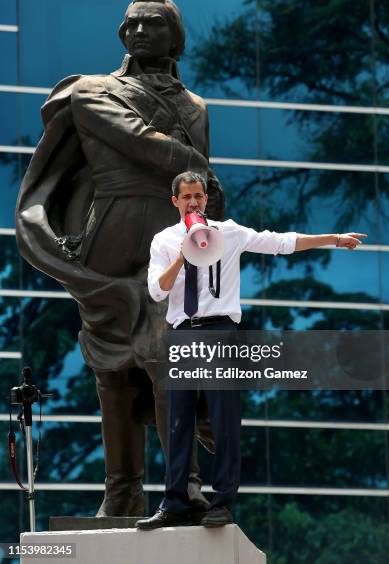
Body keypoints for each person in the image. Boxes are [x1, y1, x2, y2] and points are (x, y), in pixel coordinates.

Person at [16, 0, 223, 517]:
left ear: (175, 37)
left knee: (168, 354)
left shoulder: (195, 107)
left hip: (170, 239)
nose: (138, 31)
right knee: (112, 369)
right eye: (130, 24)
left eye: (152, 24)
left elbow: (199, 188)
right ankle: (122, 492)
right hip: (109, 239)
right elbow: (51, 185)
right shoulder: (89, 93)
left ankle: (185, 486)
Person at [137, 170, 367, 530]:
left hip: (221, 330)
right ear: (175, 202)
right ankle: (175, 503)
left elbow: (281, 242)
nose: (194, 202)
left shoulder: (229, 232)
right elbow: (156, 291)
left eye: (199, 196)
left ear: (205, 198)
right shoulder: (163, 240)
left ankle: (223, 503)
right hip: (181, 332)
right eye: (187, 198)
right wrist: (182, 256)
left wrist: (334, 239)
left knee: (224, 419)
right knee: (178, 422)